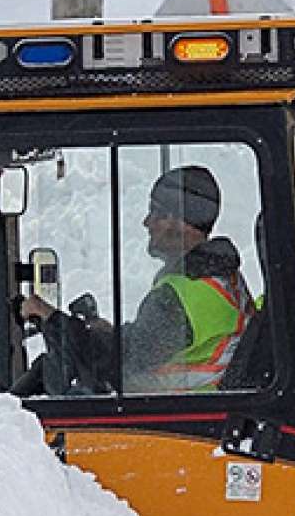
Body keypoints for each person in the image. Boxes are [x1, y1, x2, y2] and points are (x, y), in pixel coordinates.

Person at [21, 165, 251, 394]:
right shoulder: (219, 276)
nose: (147, 222)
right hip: (193, 405)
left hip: (175, 410)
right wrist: (111, 335)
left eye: (156, 213)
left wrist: (49, 317)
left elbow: (116, 363)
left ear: (181, 222)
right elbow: (149, 344)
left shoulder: (182, 296)